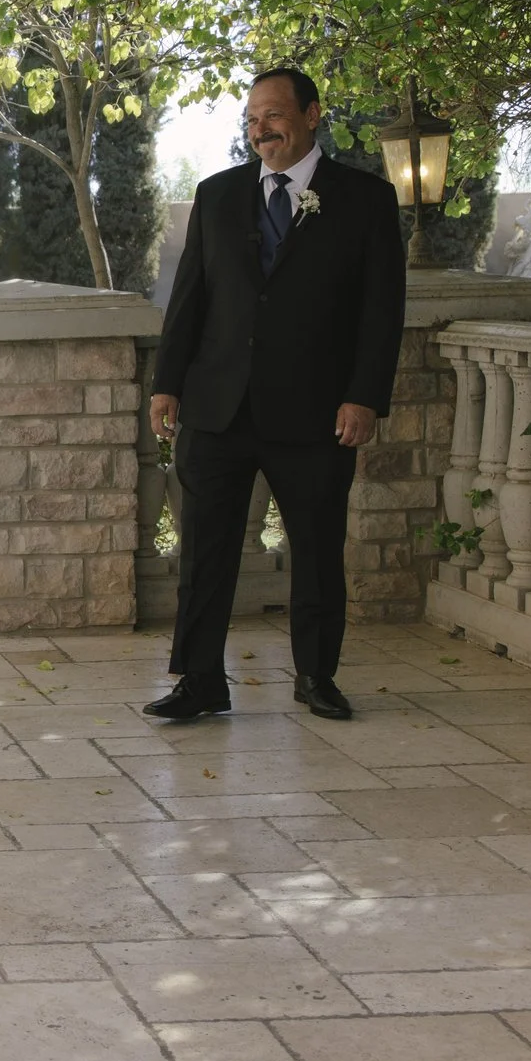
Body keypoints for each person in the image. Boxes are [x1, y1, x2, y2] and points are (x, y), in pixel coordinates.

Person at [146, 67, 407, 723]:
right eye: (252, 119)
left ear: (312, 114)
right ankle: (199, 680)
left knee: (317, 549)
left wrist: (364, 396)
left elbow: (381, 312)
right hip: (218, 407)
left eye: (274, 115)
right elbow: (189, 299)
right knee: (204, 550)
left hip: (317, 411)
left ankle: (317, 676)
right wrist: (167, 384)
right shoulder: (216, 195)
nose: (261, 129)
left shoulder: (366, 199)